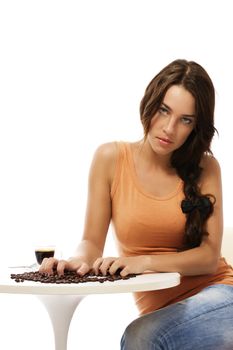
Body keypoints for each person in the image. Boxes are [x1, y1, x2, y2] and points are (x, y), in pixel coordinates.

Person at [40, 59, 233, 349]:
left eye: (186, 120)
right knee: (144, 335)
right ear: (150, 102)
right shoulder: (110, 159)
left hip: (221, 297)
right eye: (164, 110)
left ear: (196, 127)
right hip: (163, 315)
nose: (169, 128)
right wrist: (75, 263)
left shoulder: (206, 168)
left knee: (141, 337)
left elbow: (207, 257)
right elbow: (91, 242)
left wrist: (143, 262)